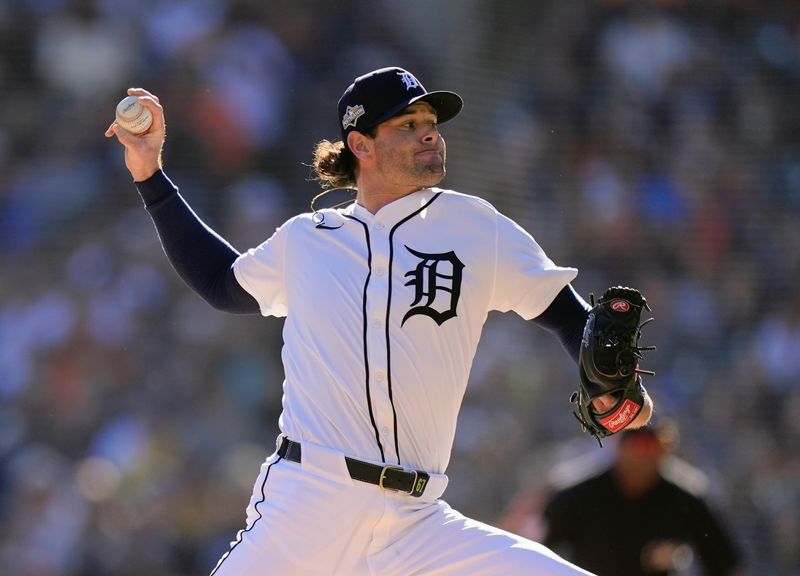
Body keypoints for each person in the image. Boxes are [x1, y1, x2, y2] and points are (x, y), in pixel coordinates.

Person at [105, 66, 653, 575]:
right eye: (407, 124)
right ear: (360, 144)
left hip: (417, 524)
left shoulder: (475, 227)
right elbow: (221, 283)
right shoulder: (307, 239)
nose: (429, 133)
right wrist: (150, 174)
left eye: (431, 122)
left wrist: (619, 391)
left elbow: (572, 319)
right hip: (307, 507)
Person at [542, 423, 742, 576]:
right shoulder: (579, 497)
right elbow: (540, 551)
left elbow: (723, 562)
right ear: (621, 448)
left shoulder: (685, 500)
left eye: (658, 447)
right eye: (642, 446)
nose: (648, 456)